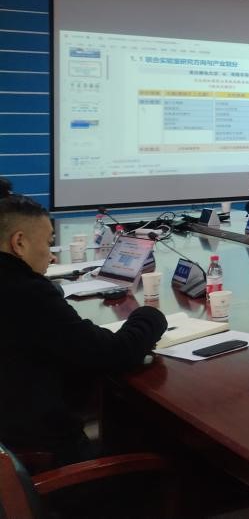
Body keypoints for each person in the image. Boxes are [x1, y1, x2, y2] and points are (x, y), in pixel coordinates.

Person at [0, 196, 168, 465]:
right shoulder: (25, 292)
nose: (52, 255)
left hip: (13, 433)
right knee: (161, 444)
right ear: (19, 242)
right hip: (40, 458)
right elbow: (113, 353)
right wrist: (150, 317)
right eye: (47, 243)